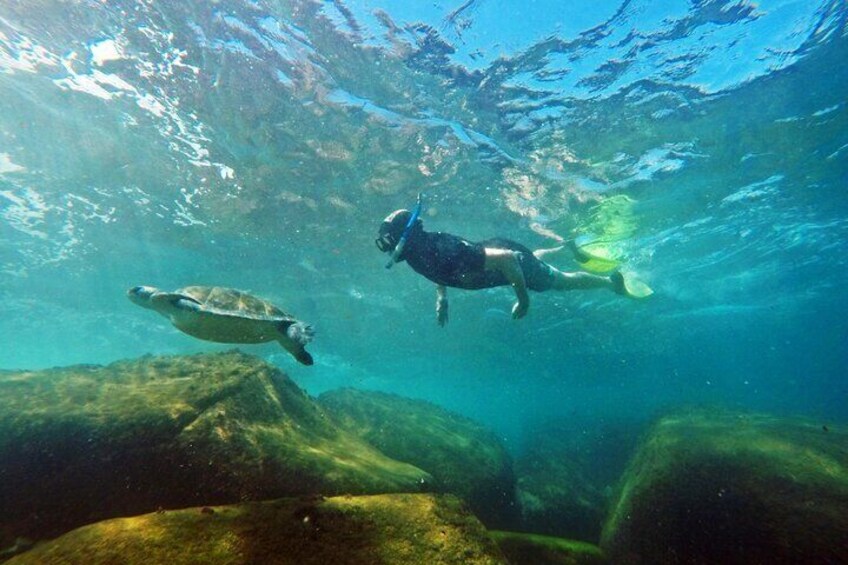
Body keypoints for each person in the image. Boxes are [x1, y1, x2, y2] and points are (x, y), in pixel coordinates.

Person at [375, 205, 649, 326]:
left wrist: (524, 300)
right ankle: (566, 247)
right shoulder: (417, 255)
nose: (386, 245)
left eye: (389, 238)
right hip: (502, 254)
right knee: (534, 259)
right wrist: (442, 298)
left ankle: (611, 282)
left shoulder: (443, 247)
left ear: (406, 235)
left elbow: (507, 259)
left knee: (557, 282)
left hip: (509, 259)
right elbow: (438, 271)